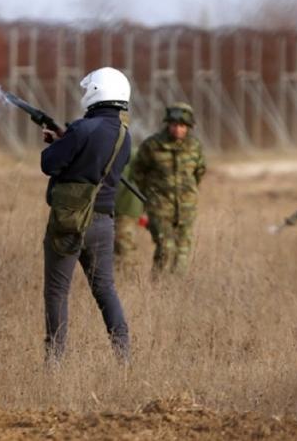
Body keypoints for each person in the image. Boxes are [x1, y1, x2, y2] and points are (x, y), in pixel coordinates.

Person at [41, 66, 132, 363]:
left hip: (70, 220)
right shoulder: (124, 135)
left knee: (57, 291)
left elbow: (50, 164)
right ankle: (124, 357)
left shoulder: (82, 128)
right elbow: (95, 164)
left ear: (96, 91)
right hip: (104, 222)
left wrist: (57, 143)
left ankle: (55, 361)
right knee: (105, 290)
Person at [130, 102, 206, 276]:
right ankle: (157, 286)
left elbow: (199, 171)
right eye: (174, 125)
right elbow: (138, 171)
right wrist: (151, 194)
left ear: (188, 127)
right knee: (166, 248)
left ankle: (176, 291)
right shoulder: (152, 146)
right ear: (168, 124)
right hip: (160, 206)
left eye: (182, 126)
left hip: (186, 207)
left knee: (183, 252)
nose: (178, 129)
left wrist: (189, 192)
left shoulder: (194, 147)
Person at [112, 152, 145, 273]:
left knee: (124, 244)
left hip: (126, 207)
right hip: (121, 207)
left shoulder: (130, 154)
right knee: (118, 245)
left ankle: (130, 279)